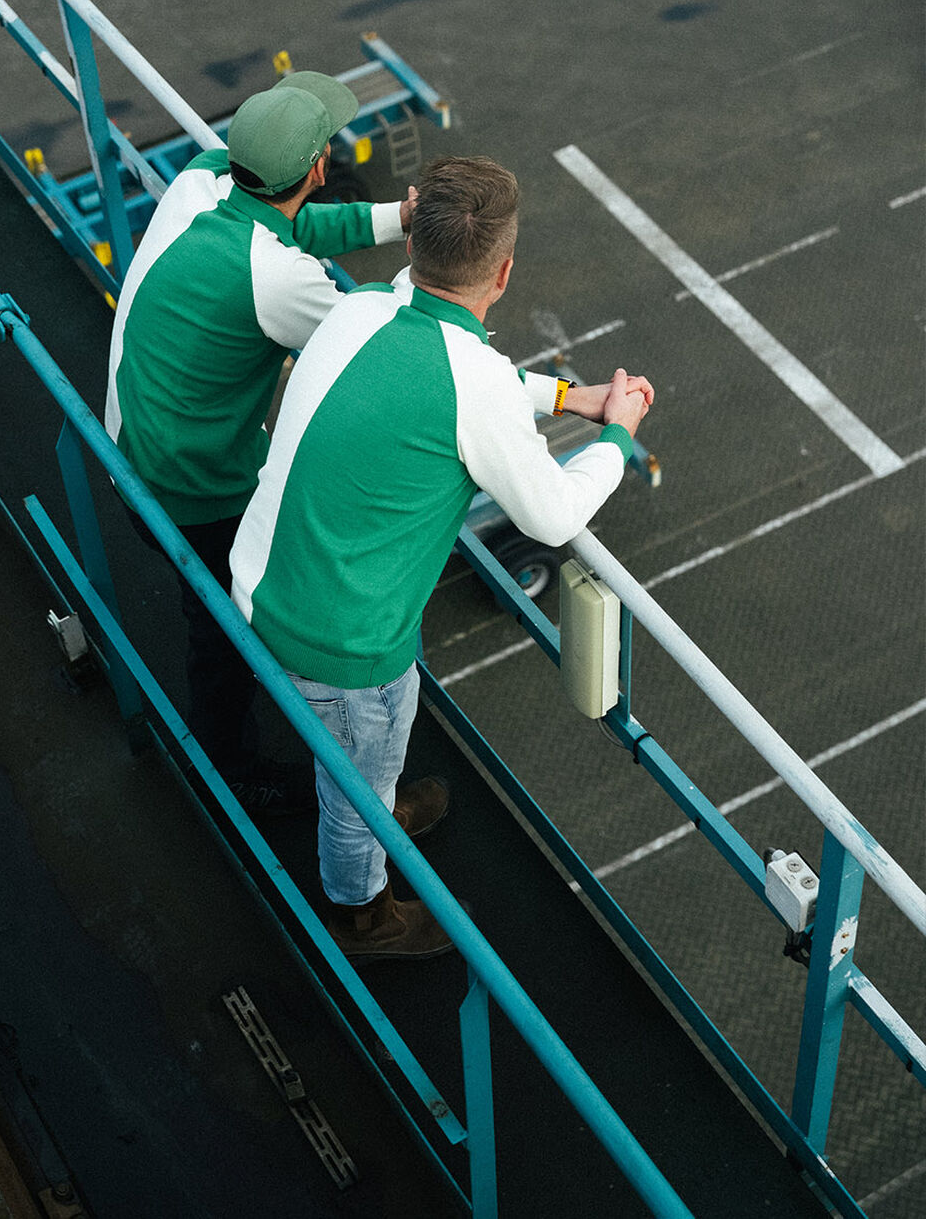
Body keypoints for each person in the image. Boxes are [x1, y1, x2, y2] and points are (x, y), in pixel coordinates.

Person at [230, 155, 653, 960]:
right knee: (357, 782)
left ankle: (378, 807)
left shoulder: (363, 308)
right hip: (340, 645)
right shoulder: (475, 383)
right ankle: (364, 916)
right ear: (504, 273)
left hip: (258, 584)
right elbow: (554, 511)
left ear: (415, 246)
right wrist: (618, 430)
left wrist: (570, 396)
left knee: (374, 747)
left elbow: (480, 377)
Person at [105, 71, 416, 813]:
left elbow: (287, 226)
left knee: (218, 614)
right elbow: (375, 356)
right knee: (228, 632)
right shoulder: (278, 281)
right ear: (315, 170)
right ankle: (235, 771)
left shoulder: (202, 180)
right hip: (190, 487)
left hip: (131, 445)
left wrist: (398, 217)